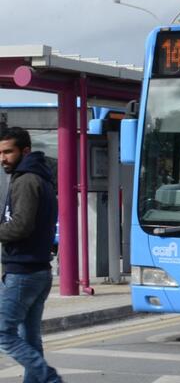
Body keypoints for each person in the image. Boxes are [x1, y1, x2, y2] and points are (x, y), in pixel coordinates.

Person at [0, 127, 62, 383]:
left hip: (23, 271)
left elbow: (21, 226)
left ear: (25, 151)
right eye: (0, 153)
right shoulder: (39, 177)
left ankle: (49, 378)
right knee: (30, 338)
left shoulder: (26, 180)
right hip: (37, 270)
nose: (3, 158)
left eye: (8, 152)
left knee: (3, 333)